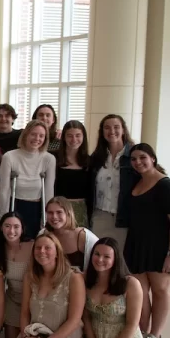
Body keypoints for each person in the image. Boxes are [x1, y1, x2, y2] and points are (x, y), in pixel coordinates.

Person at [72, 238, 152, 338]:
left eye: (106, 256)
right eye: (96, 254)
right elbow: (86, 317)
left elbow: (132, 324)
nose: (100, 259)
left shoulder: (130, 284)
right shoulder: (86, 279)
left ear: (116, 259)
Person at [4, 232, 84, 338]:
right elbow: (25, 312)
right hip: (35, 333)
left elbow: (75, 320)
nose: (42, 252)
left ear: (57, 252)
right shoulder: (30, 276)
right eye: (38, 248)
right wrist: (25, 336)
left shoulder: (74, 278)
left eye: (48, 248)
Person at [125, 143, 170, 338]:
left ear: (153, 159)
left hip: (161, 246)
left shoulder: (166, 185)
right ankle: (140, 332)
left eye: (142, 158)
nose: (138, 162)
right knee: (140, 291)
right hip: (138, 243)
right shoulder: (136, 182)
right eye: (134, 159)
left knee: (160, 290)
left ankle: (155, 335)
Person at [0, 119, 56, 236]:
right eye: (33, 134)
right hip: (14, 206)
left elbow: (49, 191)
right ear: (26, 135)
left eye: (41, 136)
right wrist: (4, 217)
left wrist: (46, 217)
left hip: (36, 209)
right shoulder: (9, 157)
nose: (37, 139)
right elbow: (4, 190)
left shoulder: (49, 159)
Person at [88, 114, 136, 248]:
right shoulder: (96, 157)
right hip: (100, 216)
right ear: (102, 132)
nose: (112, 131)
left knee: (121, 260)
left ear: (123, 130)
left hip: (124, 218)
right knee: (98, 256)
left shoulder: (134, 155)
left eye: (116, 127)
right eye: (107, 128)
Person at [0, 212, 34, 338]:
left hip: (33, 301)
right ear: (1, 228)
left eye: (16, 226)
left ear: (22, 229)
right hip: (13, 301)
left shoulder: (33, 246)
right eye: (7, 226)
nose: (11, 231)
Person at [44, 196, 98, 272]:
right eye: (50, 213)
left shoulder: (84, 236)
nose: (54, 216)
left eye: (59, 212)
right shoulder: (44, 235)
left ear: (68, 213)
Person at [54, 120, 91, 227]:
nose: (74, 139)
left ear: (83, 137)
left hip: (81, 210)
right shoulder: (54, 158)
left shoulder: (89, 161)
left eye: (78, 135)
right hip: (59, 210)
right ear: (64, 137)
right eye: (69, 136)